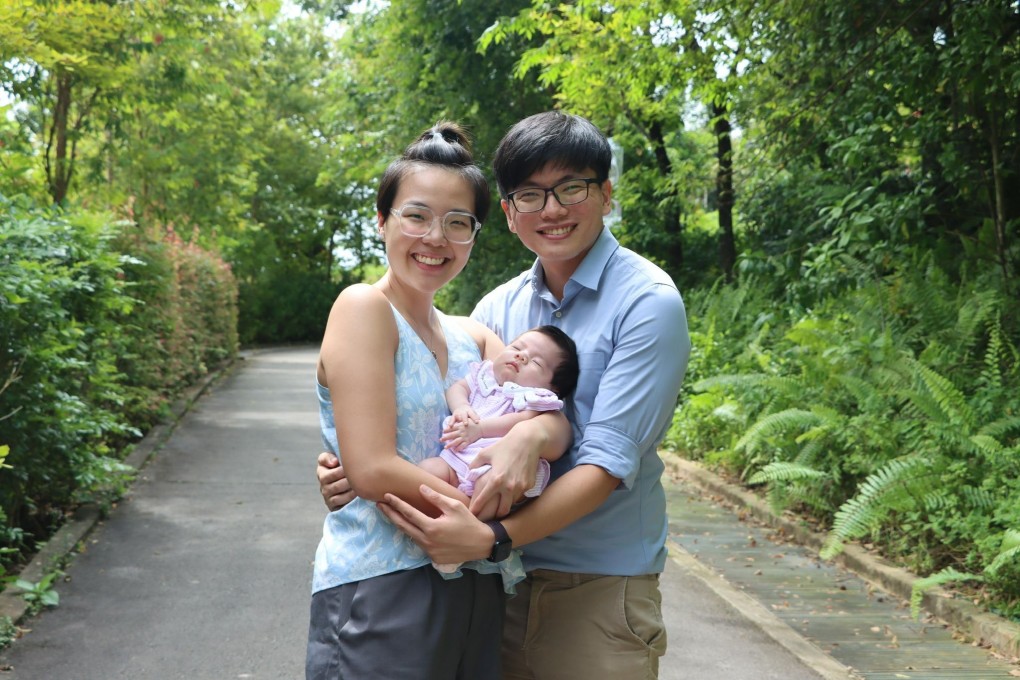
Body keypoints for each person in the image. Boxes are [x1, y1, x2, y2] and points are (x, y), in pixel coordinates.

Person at [318, 111, 691, 679]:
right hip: (475, 576)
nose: (553, 209)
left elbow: (607, 460)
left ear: (606, 193)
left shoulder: (646, 303)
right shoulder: (498, 311)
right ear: (513, 215)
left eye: (572, 187)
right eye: (531, 194)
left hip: (583, 581)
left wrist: (530, 447)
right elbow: (391, 434)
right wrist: (353, 465)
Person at [306, 121, 571, 680]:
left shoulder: (470, 337)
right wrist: (478, 517)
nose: (436, 238)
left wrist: (527, 436)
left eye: (457, 223)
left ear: (474, 236)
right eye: (417, 216)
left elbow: (554, 422)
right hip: (385, 580)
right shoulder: (363, 308)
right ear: (382, 221)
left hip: (474, 578)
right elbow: (373, 470)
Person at [422, 324, 580, 525]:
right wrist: (461, 407)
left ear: (552, 388)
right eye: (516, 348)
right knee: (428, 470)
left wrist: (480, 430)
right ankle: (425, 524)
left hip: (495, 467)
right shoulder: (484, 377)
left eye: (537, 363)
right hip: (457, 457)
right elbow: (456, 388)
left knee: (487, 496)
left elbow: (519, 421)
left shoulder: (533, 397)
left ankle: (463, 536)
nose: (521, 356)